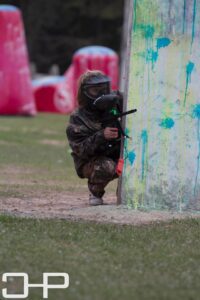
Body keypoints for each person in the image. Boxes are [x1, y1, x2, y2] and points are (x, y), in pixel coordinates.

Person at [66, 70, 123, 206]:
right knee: (106, 166)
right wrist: (101, 136)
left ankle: (124, 192)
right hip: (90, 161)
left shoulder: (116, 103)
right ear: (85, 92)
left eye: (103, 89)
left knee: (134, 162)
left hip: (116, 154)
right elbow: (81, 149)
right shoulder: (78, 117)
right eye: (95, 90)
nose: (100, 94)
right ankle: (95, 192)